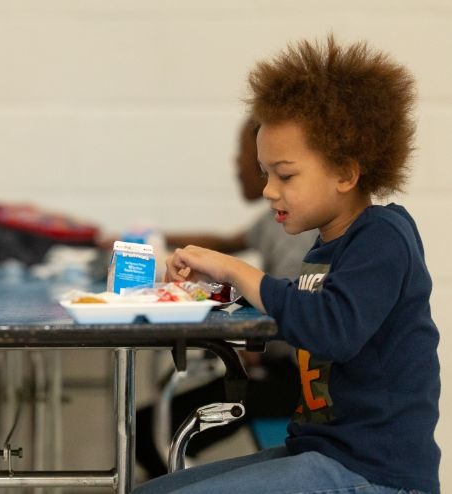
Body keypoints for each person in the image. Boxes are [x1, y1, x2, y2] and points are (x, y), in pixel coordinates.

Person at [136, 35, 440, 494]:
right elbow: (297, 307)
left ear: (345, 172)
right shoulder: (325, 250)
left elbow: (331, 327)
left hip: (375, 476)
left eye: (286, 174)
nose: (269, 191)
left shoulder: (383, 237)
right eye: (265, 173)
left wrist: (238, 270)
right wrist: (217, 291)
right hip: (322, 455)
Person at [135, 118, 313, 477]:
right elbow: (227, 242)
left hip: (290, 382)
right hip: (273, 371)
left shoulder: (301, 233)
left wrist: (252, 342)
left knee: (146, 432)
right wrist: (155, 237)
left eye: (246, 157)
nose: (236, 164)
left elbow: (285, 306)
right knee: (148, 427)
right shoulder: (272, 221)